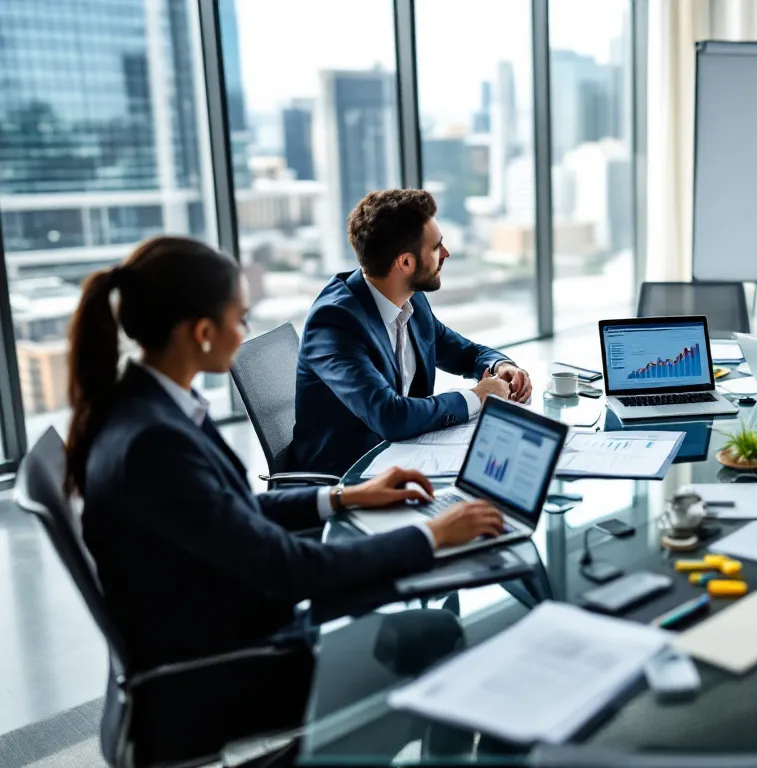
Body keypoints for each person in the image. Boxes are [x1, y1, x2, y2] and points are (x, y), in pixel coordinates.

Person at [70, 236, 508, 759]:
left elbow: (231, 511)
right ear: (202, 332)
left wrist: (345, 498)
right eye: (240, 318)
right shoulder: (153, 442)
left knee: (422, 625)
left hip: (218, 629)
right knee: (439, 640)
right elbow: (291, 569)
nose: (245, 332)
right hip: (208, 675)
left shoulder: (152, 406)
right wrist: (431, 534)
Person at [292, 189, 533, 475]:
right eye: (436, 248)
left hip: (405, 459)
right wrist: (478, 395)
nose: (446, 254)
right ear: (405, 263)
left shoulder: (410, 299)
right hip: (348, 479)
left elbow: (465, 353)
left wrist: (500, 366)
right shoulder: (334, 322)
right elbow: (390, 416)